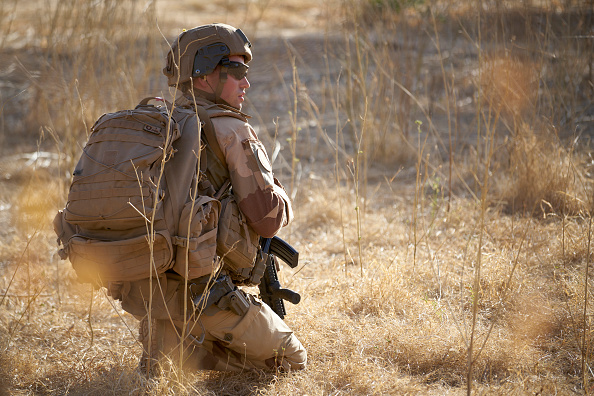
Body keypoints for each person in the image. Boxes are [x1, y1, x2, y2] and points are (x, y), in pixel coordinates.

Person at [111, 23, 307, 373]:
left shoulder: (157, 121)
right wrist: (280, 192)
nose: (246, 82)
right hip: (207, 299)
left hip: (148, 298)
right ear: (203, 76)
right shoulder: (231, 129)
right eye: (236, 72)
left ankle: (171, 349)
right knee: (293, 358)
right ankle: (194, 355)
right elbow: (268, 219)